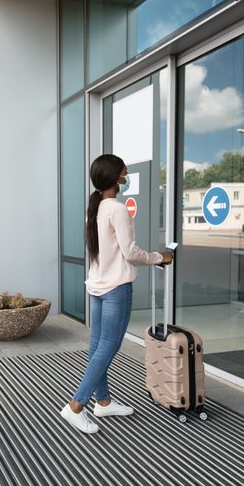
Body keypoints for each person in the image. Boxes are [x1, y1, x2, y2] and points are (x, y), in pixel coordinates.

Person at [61, 154, 173, 434]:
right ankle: (76, 405)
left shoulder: (95, 207)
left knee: (98, 346)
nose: (126, 174)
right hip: (116, 289)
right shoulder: (117, 209)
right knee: (108, 347)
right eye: (123, 170)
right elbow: (131, 254)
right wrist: (161, 256)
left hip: (98, 286)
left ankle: (104, 401)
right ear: (115, 177)